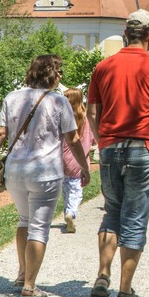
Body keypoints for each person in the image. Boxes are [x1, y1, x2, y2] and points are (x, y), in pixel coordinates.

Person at [0, 55, 90, 297]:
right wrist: (84, 167)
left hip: (15, 172)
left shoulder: (12, 97)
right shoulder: (59, 102)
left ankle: (21, 273)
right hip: (45, 172)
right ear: (51, 74)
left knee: (24, 220)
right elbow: (72, 140)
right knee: (39, 228)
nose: (61, 77)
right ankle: (29, 285)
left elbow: (0, 134)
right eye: (59, 72)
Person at [86, 9, 149, 297]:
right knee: (134, 217)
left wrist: (102, 142)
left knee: (112, 212)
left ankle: (102, 275)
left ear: (126, 35)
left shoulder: (103, 67)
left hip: (110, 147)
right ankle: (124, 293)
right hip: (142, 147)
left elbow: (92, 114)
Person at [61, 87, 96, 234]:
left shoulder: (62, 117)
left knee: (66, 188)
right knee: (76, 189)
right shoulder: (86, 119)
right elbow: (93, 140)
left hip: (62, 158)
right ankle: (71, 212)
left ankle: (67, 212)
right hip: (79, 159)